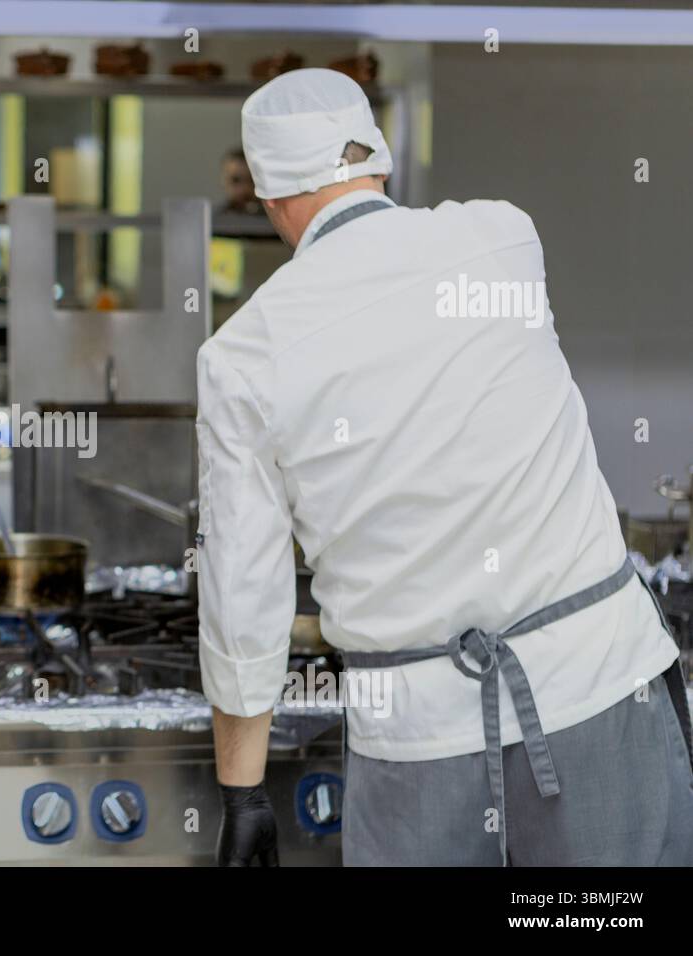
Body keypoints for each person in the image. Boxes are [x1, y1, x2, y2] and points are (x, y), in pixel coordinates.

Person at [197, 68, 693, 866]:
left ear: (270, 200)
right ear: (380, 163)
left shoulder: (241, 357)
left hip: (418, 742)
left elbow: (241, 598)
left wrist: (243, 794)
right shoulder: (502, 239)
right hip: (601, 689)